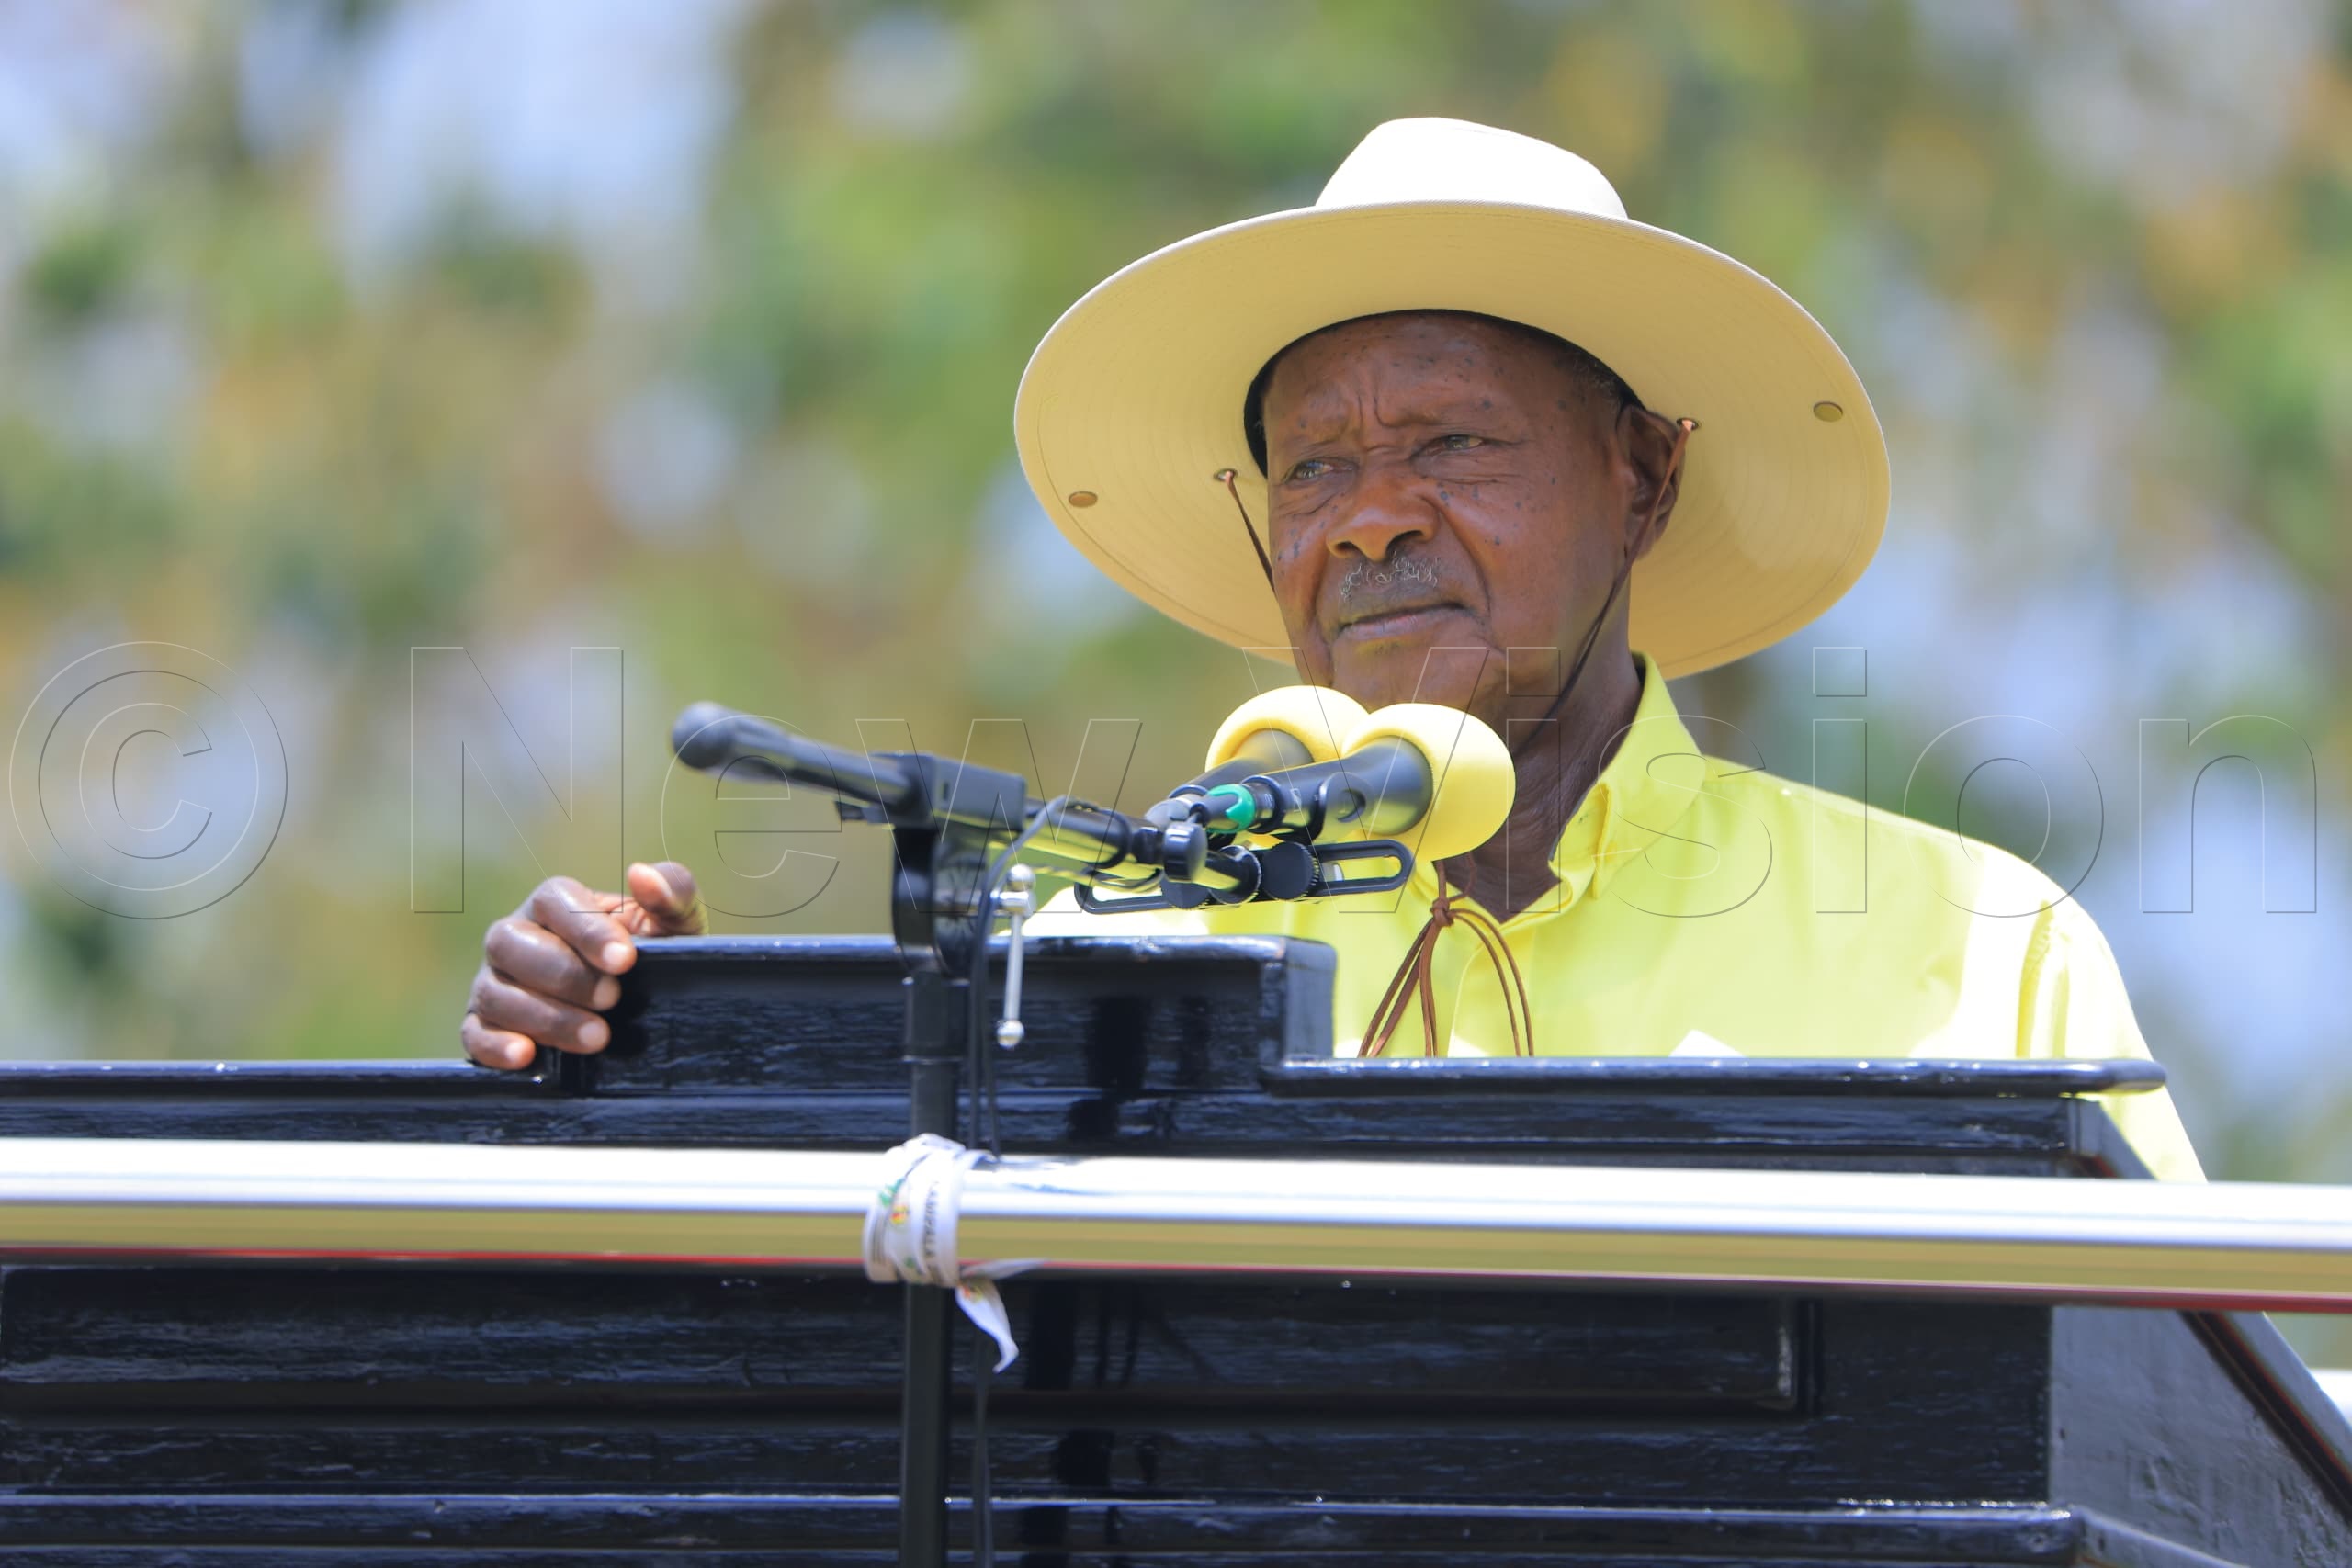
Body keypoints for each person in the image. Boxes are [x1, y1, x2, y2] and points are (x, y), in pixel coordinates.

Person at [459, 118, 2202, 1181]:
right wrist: (659, 1059)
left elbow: (2193, 1451)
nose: (1369, 520)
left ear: (1645, 478)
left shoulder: (1973, 957)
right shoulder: (1097, 960)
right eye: (1315, 469)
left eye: (1450, 444)